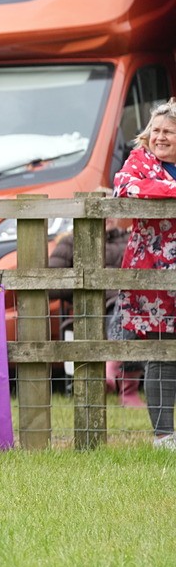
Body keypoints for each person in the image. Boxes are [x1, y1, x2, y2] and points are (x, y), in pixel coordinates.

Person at [111, 98, 176, 446]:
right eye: (155, 131)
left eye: (168, 131)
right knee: (162, 353)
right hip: (152, 276)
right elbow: (126, 188)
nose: (160, 137)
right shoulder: (139, 161)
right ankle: (164, 435)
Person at [47, 215, 143, 407]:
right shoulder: (71, 241)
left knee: (131, 307)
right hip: (89, 311)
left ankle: (119, 381)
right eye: (102, 212)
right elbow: (50, 285)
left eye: (112, 212)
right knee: (125, 310)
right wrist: (88, 286)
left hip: (132, 305)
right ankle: (125, 388)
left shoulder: (131, 239)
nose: (108, 218)